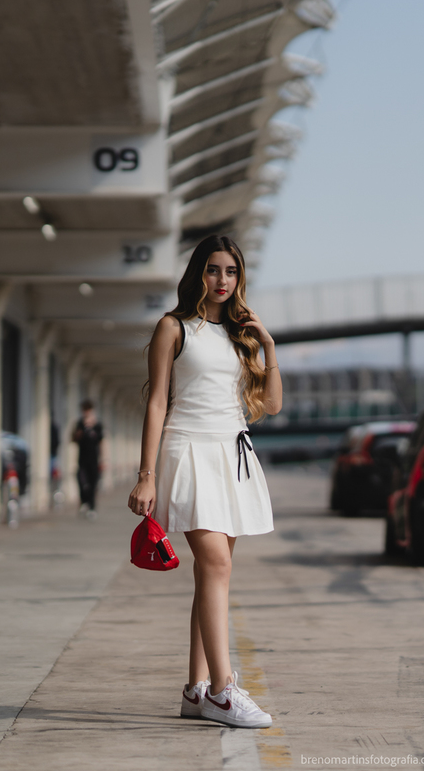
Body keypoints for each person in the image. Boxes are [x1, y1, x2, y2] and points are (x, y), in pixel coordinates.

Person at [128, 234, 282, 729]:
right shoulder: (173, 327)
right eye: (214, 269)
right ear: (198, 272)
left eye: (231, 272)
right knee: (216, 564)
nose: (222, 280)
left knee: (212, 572)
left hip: (232, 455)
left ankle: (196, 689)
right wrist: (146, 475)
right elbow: (157, 401)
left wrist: (268, 345)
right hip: (188, 450)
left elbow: (271, 405)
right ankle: (222, 690)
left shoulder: (240, 334)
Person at [72, 400, 105, 519]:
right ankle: (83, 501)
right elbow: (73, 439)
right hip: (82, 459)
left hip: (94, 460)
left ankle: (92, 507)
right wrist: (82, 429)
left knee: (93, 483)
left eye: (88, 410)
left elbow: (102, 442)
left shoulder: (98, 425)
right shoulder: (80, 424)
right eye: (84, 410)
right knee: (81, 480)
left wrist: (103, 459)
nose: (86, 412)